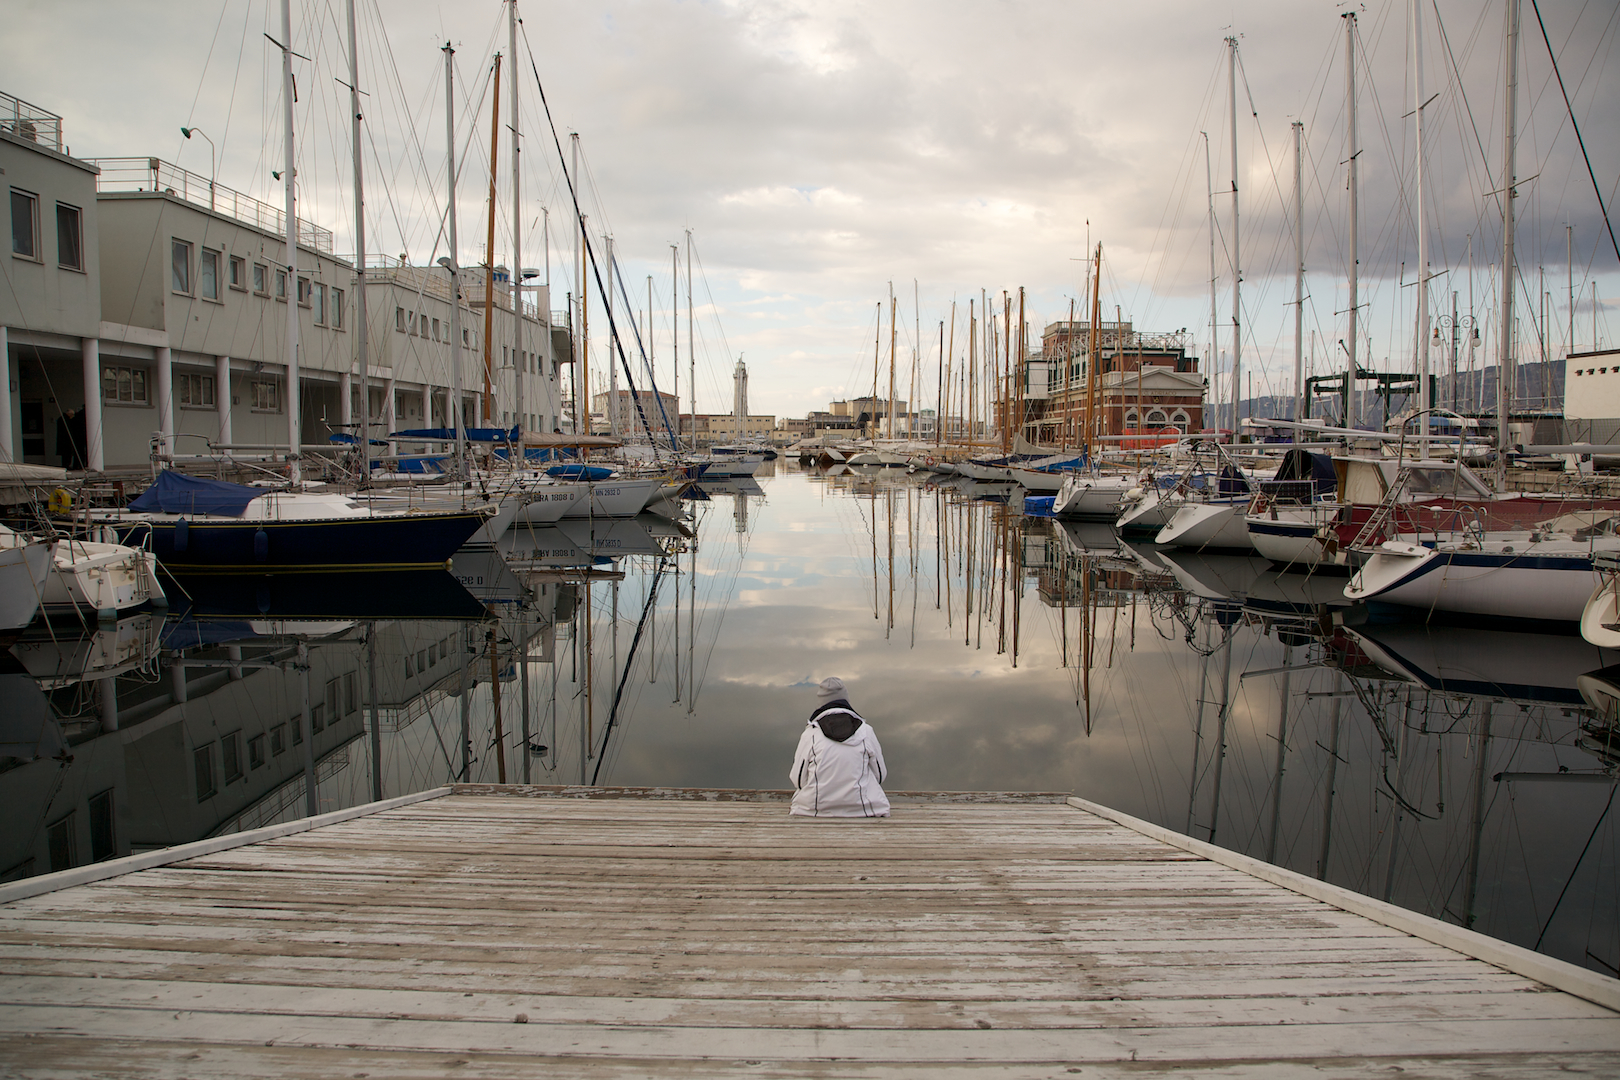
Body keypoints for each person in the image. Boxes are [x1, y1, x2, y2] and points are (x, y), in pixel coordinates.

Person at [790, 677, 889, 818]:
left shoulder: (810, 734)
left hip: (814, 810)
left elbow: (798, 780)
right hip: (863, 810)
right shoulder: (866, 731)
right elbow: (880, 775)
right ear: (846, 701)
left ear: (820, 703)